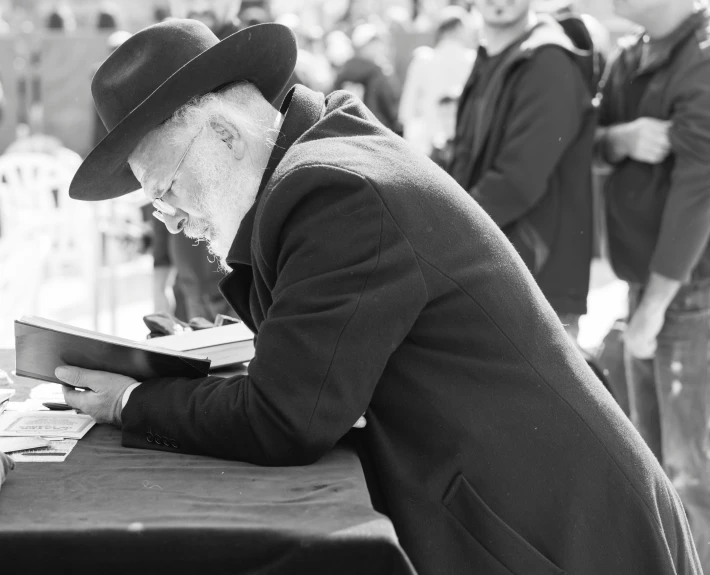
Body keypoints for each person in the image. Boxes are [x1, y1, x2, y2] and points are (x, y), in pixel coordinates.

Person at [58, 19, 701, 574]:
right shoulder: (321, 160)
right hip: (548, 516)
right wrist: (197, 357)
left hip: (565, 535)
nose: (167, 218)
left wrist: (131, 401)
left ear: (224, 136)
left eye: (167, 186)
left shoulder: (333, 191)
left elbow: (285, 417)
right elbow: (321, 349)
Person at [596, 0, 710, 570]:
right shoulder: (632, 54)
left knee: (690, 472)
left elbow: (700, 186)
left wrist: (655, 307)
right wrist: (623, 136)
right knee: (654, 462)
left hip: (690, 293)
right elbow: (589, 139)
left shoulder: (701, 56)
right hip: (647, 286)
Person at [449, 0, 596, 340]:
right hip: (494, 273)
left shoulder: (548, 60)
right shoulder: (491, 57)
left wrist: (443, 235)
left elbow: (516, 183)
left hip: (535, 290)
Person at [399, 6, 476, 156]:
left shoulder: (423, 60)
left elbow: (406, 110)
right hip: (463, 144)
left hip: (426, 146)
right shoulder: (473, 60)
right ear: (458, 28)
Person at [333, 22, 402, 135]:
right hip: (373, 131)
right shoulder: (378, 73)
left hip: (344, 131)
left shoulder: (343, 71)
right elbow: (389, 108)